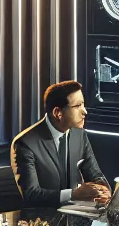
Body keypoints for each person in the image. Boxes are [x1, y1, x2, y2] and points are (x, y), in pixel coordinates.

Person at [11, 80, 110, 209]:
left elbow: (95, 174)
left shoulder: (79, 135)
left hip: (77, 221)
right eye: (77, 106)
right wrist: (73, 194)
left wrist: (103, 191)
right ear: (58, 113)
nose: (85, 111)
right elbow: (32, 195)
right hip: (42, 222)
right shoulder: (25, 143)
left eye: (83, 104)